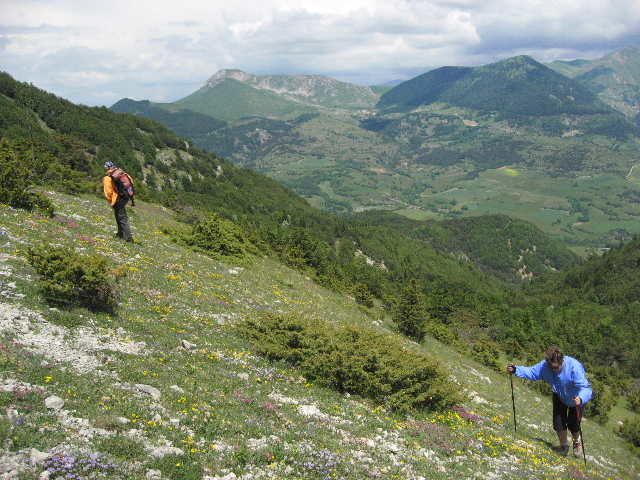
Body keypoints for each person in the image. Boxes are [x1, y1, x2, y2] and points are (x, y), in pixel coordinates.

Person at [507, 346, 592, 457]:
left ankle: (576, 442)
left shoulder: (574, 367)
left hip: (576, 398)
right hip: (559, 394)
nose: (554, 370)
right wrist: (516, 369)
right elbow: (532, 372)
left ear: (562, 361)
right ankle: (564, 446)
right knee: (558, 422)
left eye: (557, 367)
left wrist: (581, 398)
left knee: (574, 423)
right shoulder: (545, 366)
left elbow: (586, 388)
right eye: (551, 367)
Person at [103, 161, 133, 242]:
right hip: (125, 197)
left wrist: (111, 201)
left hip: (117, 199)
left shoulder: (107, 178)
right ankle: (120, 235)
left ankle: (129, 239)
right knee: (119, 217)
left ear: (106, 168)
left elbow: (108, 192)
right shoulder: (122, 173)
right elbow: (131, 182)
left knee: (122, 218)